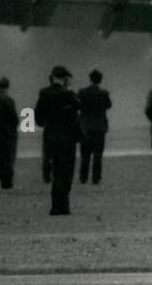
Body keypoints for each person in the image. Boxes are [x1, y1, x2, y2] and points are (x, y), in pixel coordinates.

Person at [35, 65, 81, 215]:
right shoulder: (68, 94)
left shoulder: (44, 93)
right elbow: (79, 106)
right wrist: (69, 89)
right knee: (66, 172)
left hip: (50, 136)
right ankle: (64, 204)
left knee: (55, 171)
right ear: (65, 78)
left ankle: (55, 205)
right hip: (67, 137)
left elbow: (38, 118)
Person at [77, 69, 112, 185]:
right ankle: (96, 178)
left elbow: (78, 106)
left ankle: (83, 177)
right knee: (98, 154)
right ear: (100, 80)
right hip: (99, 127)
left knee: (85, 154)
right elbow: (108, 105)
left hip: (85, 127)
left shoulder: (82, 92)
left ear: (90, 78)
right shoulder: (104, 93)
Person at [0, 77, 19, 189]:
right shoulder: (8, 100)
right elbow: (14, 119)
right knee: (8, 158)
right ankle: (7, 182)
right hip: (8, 133)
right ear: (7, 87)